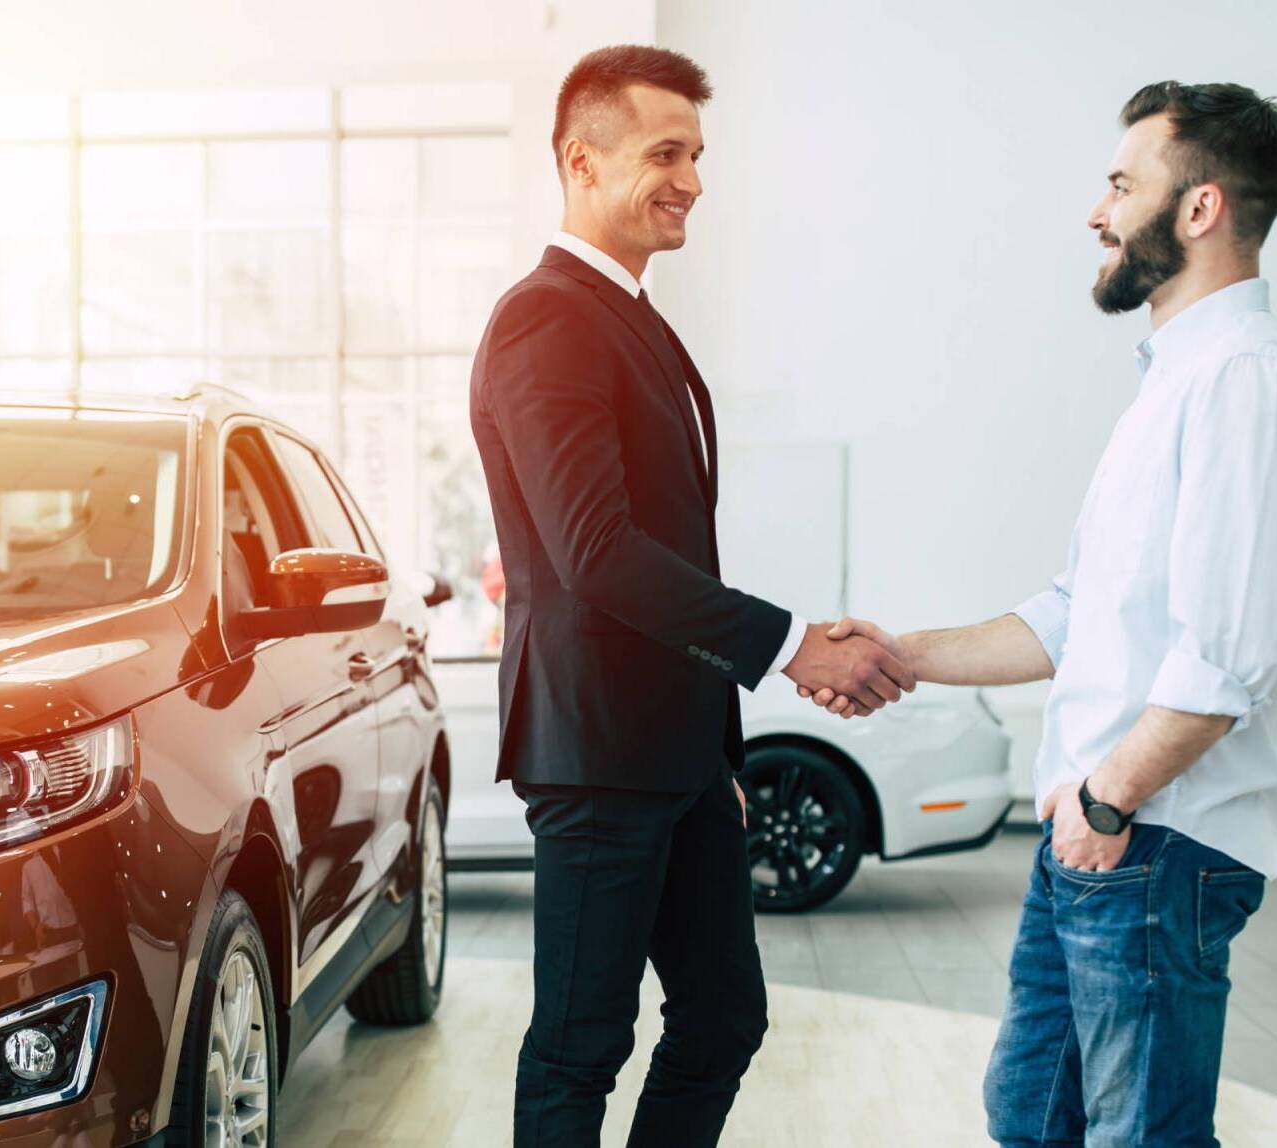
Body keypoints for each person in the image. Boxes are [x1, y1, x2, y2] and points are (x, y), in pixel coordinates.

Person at [808, 81, 1277, 1146]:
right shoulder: (1174, 384)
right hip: (1103, 839)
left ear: (1197, 210)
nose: (1096, 213)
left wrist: (1105, 801)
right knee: (1031, 1112)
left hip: (1152, 838)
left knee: (1139, 1135)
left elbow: (1224, 659)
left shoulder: (1248, 382)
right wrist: (897, 651)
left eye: (1119, 183)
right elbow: (1077, 616)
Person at [469, 44, 913, 1148]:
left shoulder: (630, 316)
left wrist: (715, 748)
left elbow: (665, 549)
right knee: (580, 1043)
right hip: (602, 752)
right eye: (667, 153)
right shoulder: (548, 318)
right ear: (582, 159)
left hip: (676, 754)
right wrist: (793, 644)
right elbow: (597, 551)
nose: (694, 180)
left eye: (698, 154)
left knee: (722, 1015)